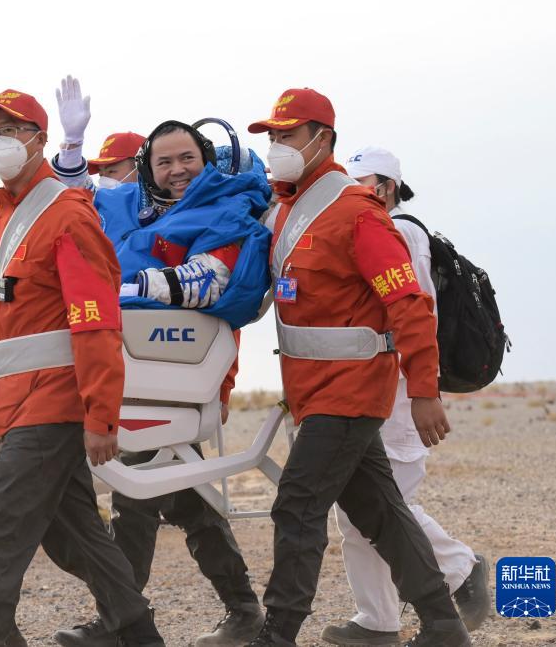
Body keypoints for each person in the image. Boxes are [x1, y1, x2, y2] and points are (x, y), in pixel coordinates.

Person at [243, 89, 471, 647]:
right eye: (272, 136)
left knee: (296, 505)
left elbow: (410, 304)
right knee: (381, 512)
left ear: (324, 139)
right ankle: (444, 624)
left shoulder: (357, 213)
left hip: (350, 392)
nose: (277, 146)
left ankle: (278, 633)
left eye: (288, 135)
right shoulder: (288, 210)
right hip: (313, 392)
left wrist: (423, 389)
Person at [0, 89, 163, 647]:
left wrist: (101, 415)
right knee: (79, 540)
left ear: (40, 140)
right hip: (18, 404)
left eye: (9, 130)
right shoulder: (8, 221)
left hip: (53, 403)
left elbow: (96, 322)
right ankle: (141, 636)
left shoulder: (67, 216)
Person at [54, 120, 272, 647]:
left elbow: (207, 283)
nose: (176, 172)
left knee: (140, 488)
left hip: (174, 372)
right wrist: (70, 149)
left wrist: (115, 290)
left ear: (206, 160)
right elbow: (69, 205)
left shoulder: (228, 210)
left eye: (186, 161)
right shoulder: (139, 212)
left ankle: (119, 620)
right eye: (164, 164)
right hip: (135, 369)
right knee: (183, 494)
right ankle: (241, 611)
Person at [317, 147, 490, 646]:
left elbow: (416, 312)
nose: (347, 191)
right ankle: (378, 620)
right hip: (372, 384)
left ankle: (460, 568)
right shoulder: (362, 231)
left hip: (393, 388)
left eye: (361, 182)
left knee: (378, 503)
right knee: (357, 507)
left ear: (388, 187)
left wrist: (421, 387)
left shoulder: (403, 231)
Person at [50, 75, 145, 191]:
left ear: (142, 170)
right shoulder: (100, 202)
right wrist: (73, 140)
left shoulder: (168, 206)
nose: (104, 180)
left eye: (111, 171)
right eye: (101, 174)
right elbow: (75, 182)